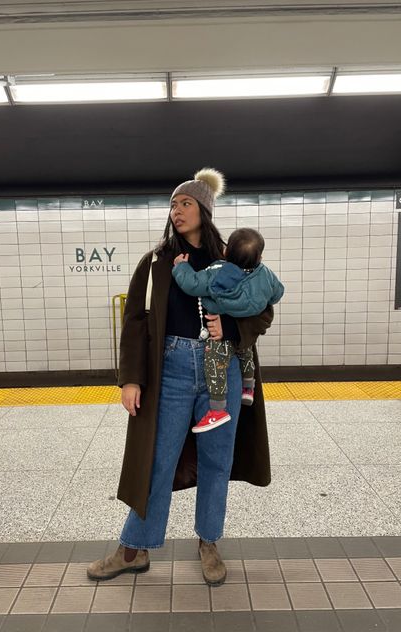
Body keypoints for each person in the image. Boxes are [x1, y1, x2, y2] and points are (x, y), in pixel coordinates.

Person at [87, 168, 274, 587]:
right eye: (172, 204)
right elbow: (135, 321)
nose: (176, 210)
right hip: (169, 368)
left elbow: (264, 309)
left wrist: (234, 330)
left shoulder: (235, 257)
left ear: (204, 210)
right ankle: (133, 548)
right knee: (157, 459)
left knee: (216, 459)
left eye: (185, 203)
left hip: (220, 368)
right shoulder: (156, 262)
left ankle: (208, 542)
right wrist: (131, 378)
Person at [172, 227, 284, 433]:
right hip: (242, 334)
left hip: (220, 336)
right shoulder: (266, 274)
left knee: (214, 362)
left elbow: (192, 284)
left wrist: (181, 266)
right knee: (246, 349)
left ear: (225, 253)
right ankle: (248, 387)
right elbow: (278, 293)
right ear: (260, 256)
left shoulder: (219, 272)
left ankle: (217, 409)